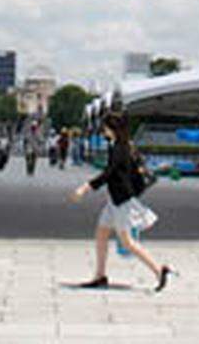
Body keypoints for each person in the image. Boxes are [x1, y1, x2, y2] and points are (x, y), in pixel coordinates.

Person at [70, 111, 174, 293]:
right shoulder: (121, 145)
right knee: (101, 233)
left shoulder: (120, 148)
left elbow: (109, 173)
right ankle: (100, 275)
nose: (103, 130)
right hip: (115, 200)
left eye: (105, 127)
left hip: (121, 201)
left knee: (127, 242)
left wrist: (85, 188)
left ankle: (159, 270)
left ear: (112, 128)